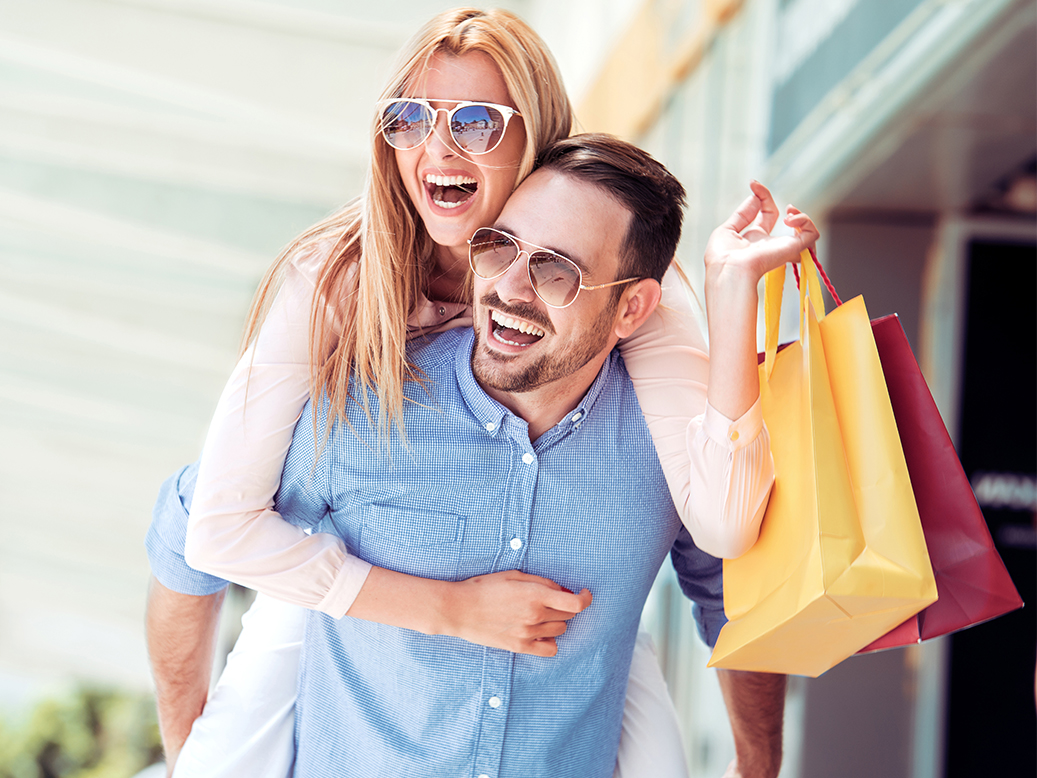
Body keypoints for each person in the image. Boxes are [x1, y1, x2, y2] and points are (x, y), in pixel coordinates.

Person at [144, 7, 810, 776]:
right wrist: (449, 610)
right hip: (332, 593)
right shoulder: (340, 290)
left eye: (474, 120)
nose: (437, 147)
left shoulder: (644, 302)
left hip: (578, 634)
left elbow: (723, 547)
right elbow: (206, 527)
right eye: (409, 118)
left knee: (627, 684)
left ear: (539, 140)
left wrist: (758, 765)